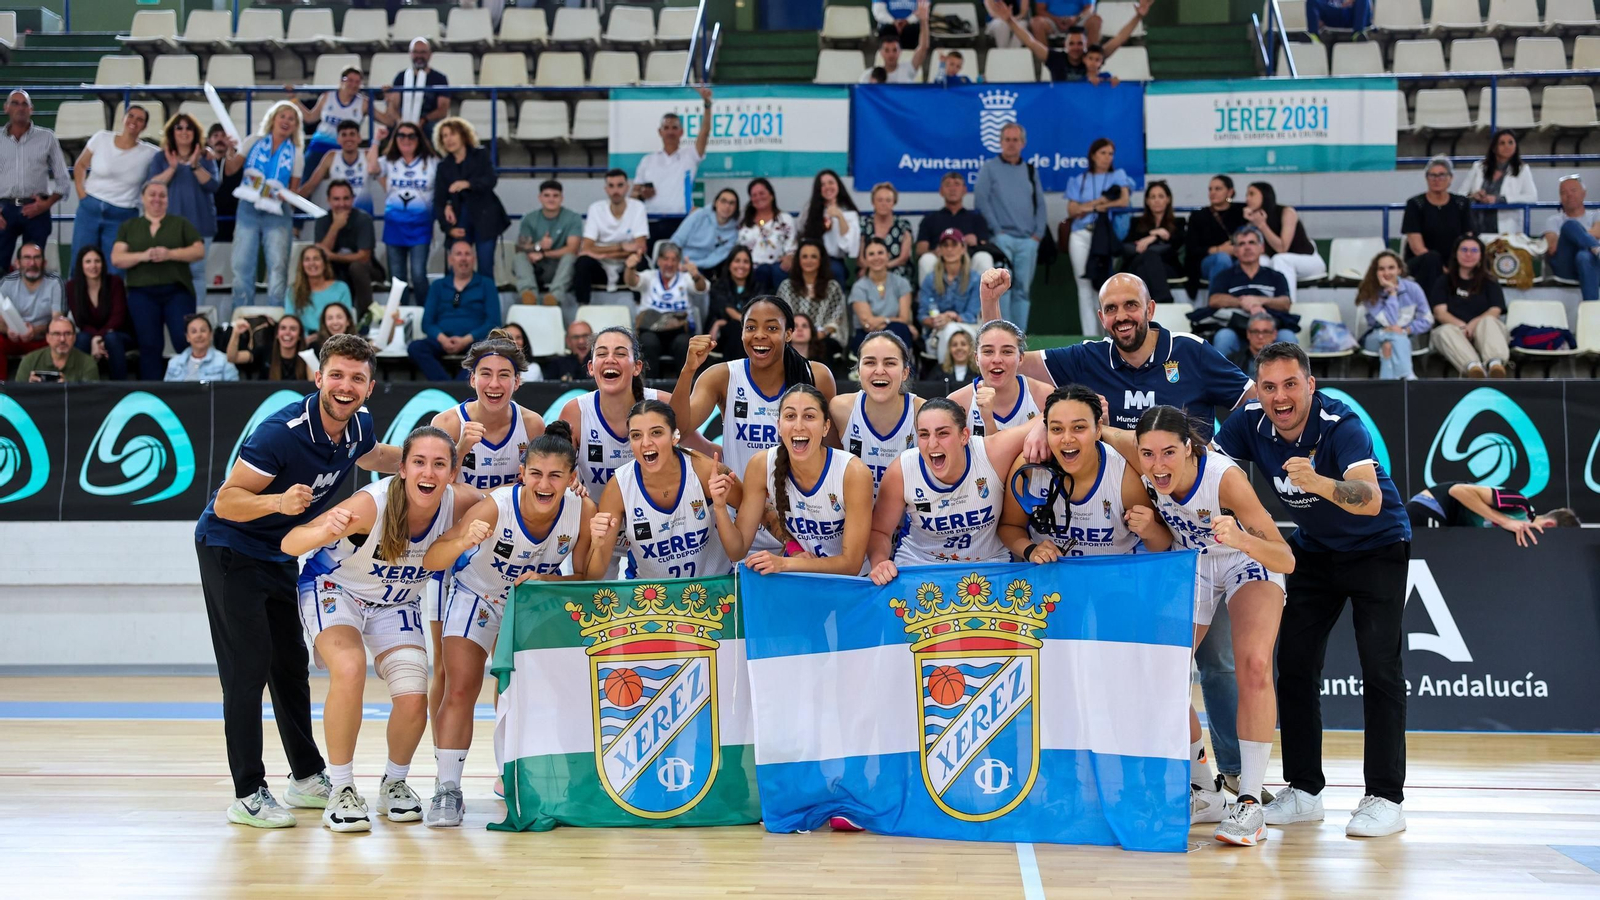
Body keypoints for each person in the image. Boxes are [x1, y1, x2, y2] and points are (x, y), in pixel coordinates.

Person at [985, 270, 1261, 802]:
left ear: (1151, 307)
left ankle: (1233, 777)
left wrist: (1208, 455)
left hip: (1200, 531)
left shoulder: (1193, 353)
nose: (1121, 317)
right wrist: (992, 307)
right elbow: (1008, 365)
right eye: (1111, 309)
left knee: (1218, 663)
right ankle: (1181, 778)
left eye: (1130, 306)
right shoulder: (1090, 357)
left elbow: (1252, 400)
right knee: (1151, 665)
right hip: (1140, 538)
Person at [193, 335, 397, 827]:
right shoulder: (280, 432)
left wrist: (438, 457)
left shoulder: (358, 428)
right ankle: (248, 793)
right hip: (230, 550)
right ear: (318, 378)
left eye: (356, 378)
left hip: (281, 553)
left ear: (369, 387)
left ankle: (306, 777)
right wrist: (277, 503)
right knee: (248, 668)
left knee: (290, 666)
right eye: (337, 375)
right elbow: (226, 501)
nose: (345, 387)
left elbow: (374, 458)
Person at [1213, 342, 1411, 839]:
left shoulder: (1341, 425)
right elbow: (1204, 466)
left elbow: (1367, 500)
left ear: (1310, 385)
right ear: (1256, 391)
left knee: (1380, 668)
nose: (1280, 397)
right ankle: (1304, 791)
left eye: (1290, 385)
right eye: (1269, 387)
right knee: (1296, 666)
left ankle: (1386, 798)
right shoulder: (1248, 424)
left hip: (1378, 546)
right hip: (1316, 549)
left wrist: (1319, 482)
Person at [281, 426, 482, 833]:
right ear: (403, 469)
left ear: (453, 471)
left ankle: (394, 783)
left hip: (396, 602)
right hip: (337, 589)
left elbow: (513, 498)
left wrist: (574, 493)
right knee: (351, 669)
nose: (429, 471)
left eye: (439, 463)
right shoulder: (369, 505)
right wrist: (322, 530)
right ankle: (340, 789)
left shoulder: (462, 501)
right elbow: (290, 543)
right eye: (419, 462)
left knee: (412, 697)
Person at [1124, 405, 1293, 847]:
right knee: (1162, 673)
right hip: (1194, 565)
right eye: (1147, 454)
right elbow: (1094, 431)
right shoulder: (1140, 459)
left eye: (1168, 453)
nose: (1158, 465)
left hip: (1245, 558)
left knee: (1254, 664)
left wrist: (1240, 537)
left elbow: (1285, 557)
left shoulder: (1224, 479)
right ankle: (1205, 788)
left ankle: (1251, 803)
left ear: (1189, 448)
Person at [420, 419, 595, 827]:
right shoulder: (495, 506)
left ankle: (517, 779)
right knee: (460, 687)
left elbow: (586, 576)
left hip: (530, 603)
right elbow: (433, 559)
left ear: (571, 479)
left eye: (555, 475)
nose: (544, 483)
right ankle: (447, 789)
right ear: (522, 473)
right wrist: (463, 540)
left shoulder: (583, 511)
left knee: (530, 694)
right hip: (477, 594)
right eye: (535, 473)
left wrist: (549, 578)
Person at [672, 296, 839, 552]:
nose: (759, 335)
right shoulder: (722, 376)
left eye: (772, 328)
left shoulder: (816, 375)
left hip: (806, 526)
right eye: (751, 327)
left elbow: (833, 454)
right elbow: (677, 430)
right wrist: (687, 371)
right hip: (741, 523)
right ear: (741, 334)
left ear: (788, 333)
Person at [867, 397, 1034, 583]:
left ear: (964, 435)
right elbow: (880, 531)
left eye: (942, 433)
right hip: (920, 565)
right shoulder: (902, 470)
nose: (932, 443)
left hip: (989, 565)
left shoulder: (992, 454)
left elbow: (1047, 418)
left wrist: (1041, 432)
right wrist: (879, 562)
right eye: (923, 434)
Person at [998, 384, 1166, 561]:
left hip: (1113, 578)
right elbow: (1009, 526)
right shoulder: (1030, 467)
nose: (1067, 439)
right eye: (1057, 429)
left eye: (1079, 427)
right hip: (1051, 581)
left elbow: (1161, 542)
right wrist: (1030, 549)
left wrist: (1151, 530)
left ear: (1098, 429)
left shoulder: (1122, 476)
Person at [585, 398, 745, 580]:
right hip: (651, 599)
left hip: (713, 593)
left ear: (674, 437)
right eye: (636, 435)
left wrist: (720, 508)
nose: (646, 443)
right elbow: (593, 575)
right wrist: (597, 545)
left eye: (656, 433)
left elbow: (739, 548)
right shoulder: (618, 488)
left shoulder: (704, 470)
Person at [555, 326, 669, 573]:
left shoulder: (661, 404)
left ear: (636, 366)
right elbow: (554, 470)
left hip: (654, 525)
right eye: (602, 353)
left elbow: (701, 452)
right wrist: (568, 482)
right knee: (592, 599)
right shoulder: (576, 411)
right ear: (590, 366)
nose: (610, 359)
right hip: (598, 526)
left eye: (619, 353)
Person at [732, 383, 875, 575]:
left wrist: (785, 564)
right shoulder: (761, 465)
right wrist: (718, 506)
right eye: (790, 416)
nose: (799, 426)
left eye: (809, 416)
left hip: (849, 584)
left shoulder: (853, 472)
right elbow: (737, 550)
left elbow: (851, 565)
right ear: (779, 425)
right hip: (799, 579)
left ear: (826, 427)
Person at [112, 180, 206, 380]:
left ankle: (189, 383)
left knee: (183, 341)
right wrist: (143, 256)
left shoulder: (180, 223)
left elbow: (199, 251)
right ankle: (151, 391)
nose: (157, 199)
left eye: (162, 195)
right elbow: (117, 258)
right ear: (142, 198)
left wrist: (169, 254)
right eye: (152, 195)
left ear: (168, 200)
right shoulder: (130, 226)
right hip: (142, 292)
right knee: (149, 345)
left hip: (177, 291)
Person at [223, 101, 306, 315]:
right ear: (273, 119)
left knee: (278, 268)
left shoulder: (296, 153)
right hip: (248, 208)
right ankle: (240, 317)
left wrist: (282, 194)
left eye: (291, 119)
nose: (286, 121)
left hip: (277, 213)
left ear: (296, 126)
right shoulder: (253, 141)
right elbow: (231, 170)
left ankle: (277, 320)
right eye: (283, 116)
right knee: (242, 266)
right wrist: (229, 151)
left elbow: (293, 193)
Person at [71, 105, 161, 279]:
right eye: (131, 116)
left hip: (122, 215)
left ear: (145, 126)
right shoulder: (101, 138)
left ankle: (113, 306)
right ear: (123, 118)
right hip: (90, 208)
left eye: (140, 119)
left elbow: (173, 156)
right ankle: (76, 305)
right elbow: (80, 165)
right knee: (80, 261)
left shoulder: (149, 152)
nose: (134, 121)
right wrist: (82, 195)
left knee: (116, 269)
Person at [830, 330, 924, 493]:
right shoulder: (840, 409)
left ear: (904, 373)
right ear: (858, 371)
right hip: (857, 515)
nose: (879, 371)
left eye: (889, 363)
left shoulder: (923, 413)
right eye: (870, 363)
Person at [975, 123, 1048, 328]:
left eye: (1015, 140)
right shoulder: (989, 168)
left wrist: (1038, 235)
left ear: (1023, 143)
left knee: (1022, 290)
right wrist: (997, 231)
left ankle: (1018, 337)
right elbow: (982, 201)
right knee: (1001, 289)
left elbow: (1040, 203)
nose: (1011, 144)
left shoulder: (1030, 170)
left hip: (1028, 241)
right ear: (1000, 142)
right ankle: (1002, 332)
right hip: (1001, 239)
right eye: (1007, 139)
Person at [146, 112, 220, 300]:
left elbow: (212, 185)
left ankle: (198, 323)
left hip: (201, 226)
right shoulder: (160, 158)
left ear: (196, 133)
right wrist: (172, 168)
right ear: (172, 131)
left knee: (197, 274)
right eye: (179, 127)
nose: (184, 131)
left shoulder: (206, 157)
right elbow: (152, 186)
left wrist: (195, 165)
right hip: (167, 228)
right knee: (169, 276)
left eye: (189, 128)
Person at [1065, 137, 1135, 334]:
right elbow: (1072, 210)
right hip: (1081, 234)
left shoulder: (1118, 175)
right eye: (1102, 153)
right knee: (1084, 287)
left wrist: (1089, 206)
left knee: (1105, 286)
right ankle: (1090, 335)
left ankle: (1109, 334)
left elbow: (1123, 201)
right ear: (1093, 155)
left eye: (1110, 154)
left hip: (1105, 237)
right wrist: (1101, 203)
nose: (1106, 157)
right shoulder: (1080, 180)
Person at [987, 0, 1148, 83]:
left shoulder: (1093, 59)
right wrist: (1009, 21)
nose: (1076, 47)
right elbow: (1030, 41)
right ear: (1065, 45)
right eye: (1072, 44)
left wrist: (1138, 16)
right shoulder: (1055, 59)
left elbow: (1120, 38)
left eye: (1080, 44)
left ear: (1086, 46)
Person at [409, 240, 502, 381]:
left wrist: (466, 340)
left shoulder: (486, 284)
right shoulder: (438, 286)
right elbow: (427, 323)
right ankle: (447, 386)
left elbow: (494, 322)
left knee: (488, 352)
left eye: (467, 254)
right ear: (450, 259)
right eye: (458, 254)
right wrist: (443, 339)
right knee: (416, 348)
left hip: (475, 341)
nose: (463, 258)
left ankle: (457, 388)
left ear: (474, 259)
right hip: (441, 340)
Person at [632, 87, 714, 243]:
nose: (670, 132)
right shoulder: (647, 161)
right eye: (666, 128)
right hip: (652, 221)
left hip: (682, 221)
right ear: (660, 132)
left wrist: (707, 105)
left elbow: (705, 132)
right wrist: (642, 193)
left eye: (674, 128)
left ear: (681, 132)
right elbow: (633, 195)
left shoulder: (690, 155)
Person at [368, 120, 437, 303]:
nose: (406, 139)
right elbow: (371, 168)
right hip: (394, 226)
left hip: (421, 226)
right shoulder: (390, 161)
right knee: (397, 279)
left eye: (411, 136)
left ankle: (425, 313)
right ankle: (401, 316)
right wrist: (376, 140)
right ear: (395, 138)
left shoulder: (431, 162)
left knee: (418, 274)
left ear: (419, 139)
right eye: (401, 135)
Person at [1206, 226, 1298, 364]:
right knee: (1223, 337)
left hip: (1269, 329)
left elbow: (1285, 303)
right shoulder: (1224, 276)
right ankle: (1222, 384)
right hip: (1236, 327)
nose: (1247, 247)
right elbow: (1214, 300)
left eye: (1252, 243)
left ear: (1262, 248)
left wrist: (1258, 300)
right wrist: (1243, 302)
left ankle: (1289, 383)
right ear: (1235, 251)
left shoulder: (1276, 276)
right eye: (1242, 244)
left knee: (1288, 337)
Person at [0, 90, 69, 268]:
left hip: (37, 208)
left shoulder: (47, 137)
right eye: (15, 103)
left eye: (25, 104)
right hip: (3, 210)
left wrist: (47, 204)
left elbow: (63, 179)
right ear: (6, 107)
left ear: (32, 109)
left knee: (32, 267)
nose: (20, 108)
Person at [433, 116, 508, 278]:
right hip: (460, 222)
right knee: (457, 270)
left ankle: (485, 303)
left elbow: (490, 180)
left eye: (452, 134)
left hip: (485, 219)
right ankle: (456, 302)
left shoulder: (480, 155)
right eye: (444, 136)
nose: (448, 139)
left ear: (463, 135)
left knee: (486, 268)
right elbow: (439, 201)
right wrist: (448, 228)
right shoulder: (443, 166)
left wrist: (467, 184)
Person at [949, 320, 1052, 436]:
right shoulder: (957, 403)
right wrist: (987, 419)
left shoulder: (1045, 397)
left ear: (1021, 358)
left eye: (1007, 352)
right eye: (988, 351)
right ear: (977, 358)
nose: (997, 359)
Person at [1428, 234, 1508, 378]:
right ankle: (1474, 368)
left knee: (1489, 321)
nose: (1468, 254)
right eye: (1464, 250)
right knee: (1444, 331)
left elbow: (1495, 310)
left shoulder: (1490, 281)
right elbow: (1440, 312)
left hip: (1485, 334)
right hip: (1456, 333)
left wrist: (1473, 325)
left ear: (1481, 256)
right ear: (1456, 254)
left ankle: (1495, 365)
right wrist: (1462, 326)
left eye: (1474, 250)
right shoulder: (1443, 281)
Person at [624, 241, 706, 377]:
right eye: (666, 259)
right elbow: (632, 281)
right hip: (651, 330)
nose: (669, 264)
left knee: (685, 344)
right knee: (648, 342)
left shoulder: (686, 278)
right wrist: (630, 268)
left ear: (679, 262)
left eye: (674, 260)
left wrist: (696, 276)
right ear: (659, 260)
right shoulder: (649, 276)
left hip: (679, 331)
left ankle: (689, 390)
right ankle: (647, 392)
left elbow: (701, 288)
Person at [574, 169, 649, 307]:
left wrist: (602, 252)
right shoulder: (596, 208)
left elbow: (640, 248)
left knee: (641, 262)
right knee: (582, 262)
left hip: (626, 265)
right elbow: (586, 248)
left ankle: (641, 308)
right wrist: (621, 247)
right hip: (601, 265)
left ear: (627, 187)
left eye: (620, 185)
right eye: (611, 186)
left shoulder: (638, 208)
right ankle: (582, 307)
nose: (616, 190)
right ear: (606, 189)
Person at [1401, 156, 1475, 295]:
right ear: (1426, 178)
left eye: (1442, 175)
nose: (1437, 179)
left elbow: (1468, 237)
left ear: (1450, 178)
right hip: (1422, 261)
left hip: (1454, 260)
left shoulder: (1461, 203)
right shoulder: (1415, 204)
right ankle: (1431, 307)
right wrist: (1443, 268)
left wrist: (1456, 264)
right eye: (1432, 175)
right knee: (1432, 259)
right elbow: (1417, 247)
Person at [1406, 481, 1580, 539]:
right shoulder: (1521, 506)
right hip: (1431, 508)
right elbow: (1457, 490)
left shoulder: (1520, 536)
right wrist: (1506, 521)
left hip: (1447, 524)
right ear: (1549, 526)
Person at [1243, 180, 1326, 301]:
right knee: (1258, 261)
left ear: (1265, 195)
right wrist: (1250, 224)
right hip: (1280, 261)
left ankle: (1286, 304)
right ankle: (1259, 304)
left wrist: (1261, 225)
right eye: (1246, 195)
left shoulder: (1287, 212)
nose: (1247, 199)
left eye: (1252, 194)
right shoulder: (1254, 219)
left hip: (1308, 260)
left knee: (1281, 260)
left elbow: (1282, 248)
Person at [1356, 250, 1432, 381]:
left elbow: (1427, 319)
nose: (1386, 273)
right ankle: (1408, 376)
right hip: (1374, 337)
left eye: (1391, 268)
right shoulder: (1369, 291)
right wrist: (1392, 293)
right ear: (1375, 272)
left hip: (1406, 337)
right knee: (1395, 336)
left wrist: (1406, 330)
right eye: (1381, 269)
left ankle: (1386, 387)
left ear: (1400, 270)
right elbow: (1390, 322)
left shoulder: (1413, 288)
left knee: (1388, 346)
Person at [514, 178, 585, 316]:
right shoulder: (529, 218)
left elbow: (573, 248)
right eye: (547, 195)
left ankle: (554, 297)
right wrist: (539, 245)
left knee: (571, 258)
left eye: (555, 196)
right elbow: (520, 248)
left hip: (560, 268)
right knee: (519, 258)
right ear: (540, 197)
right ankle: (529, 295)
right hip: (536, 267)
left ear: (561, 198)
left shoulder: (573, 218)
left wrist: (545, 254)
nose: (551, 199)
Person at [313, 180, 380, 320]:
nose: (342, 204)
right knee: (319, 267)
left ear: (353, 199)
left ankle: (366, 318)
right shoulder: (322, 221)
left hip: (367, 269)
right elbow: (320, 256)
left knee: (356, 267)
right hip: (335, 270)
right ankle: (324, 319)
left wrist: (332, 256)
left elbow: (364, 256)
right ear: (328, 200)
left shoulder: (363, 219)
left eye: (346, 198)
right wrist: (335, 227)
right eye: (336, 199)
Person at [776, 239, 848, 370]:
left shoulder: (832, 287)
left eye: (813, 256)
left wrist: (819, 333)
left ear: (821, 261)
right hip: (792, 335)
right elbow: (779, 317)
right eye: (805, 256)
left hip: (823, 337)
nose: (809, 260)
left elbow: (837, 319)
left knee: (825, 346)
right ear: (798, 260)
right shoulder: (786, 286)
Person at [916, 172, 994, 284]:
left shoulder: (976, 218)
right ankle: (929, 300)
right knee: (926, 259)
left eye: (957, 184)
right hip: (940, 263)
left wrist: (975, 242)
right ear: (941, 191)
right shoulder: (930, 219)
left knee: (984, 257)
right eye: (948, 185)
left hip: (968, 264)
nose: (952, 189)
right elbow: (920, 249)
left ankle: (985, 300)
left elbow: (985, 245)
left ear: (964, 190)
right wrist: (936, 251)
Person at [65, 245, 130, 380]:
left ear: (103, 263)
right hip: (88, 334)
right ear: (81, 265)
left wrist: (98, 338)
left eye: (97, 261)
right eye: (88, 261)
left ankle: (120, 388)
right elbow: (80, 321)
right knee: (82, 338)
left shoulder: (115, 282)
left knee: (111, 339)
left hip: (118, 334)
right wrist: (96, 338)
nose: (93, 266)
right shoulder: (72, 287)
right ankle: (78, 387)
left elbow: (118, 318)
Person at [0, 241, 63, 380]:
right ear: (17, 263)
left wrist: (35, 330)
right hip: (13, 338)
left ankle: (51, 390)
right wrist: (7, 330)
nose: (32, 263)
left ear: (44, 262)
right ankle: (1, 393)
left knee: (61, 338)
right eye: (27, 258)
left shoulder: (55, 282)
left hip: (42, 339)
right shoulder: (6, 282)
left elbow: (57, 320)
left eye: (37, 257)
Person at [289, 66, 368, 174]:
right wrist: (293, 99)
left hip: (345, 149)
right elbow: (310, 118)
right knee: (303, 174)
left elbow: (386, 120)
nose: (353, 85)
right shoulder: (327, 96)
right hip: (320, 145)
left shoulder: (363, 103)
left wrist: (389, 98)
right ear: (341, 81)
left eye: (357, 82)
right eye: (350, 80)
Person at [919, 229, 983, 362]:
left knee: (951, 329)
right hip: (938, 331)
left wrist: (952, 318)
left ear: (963, 248)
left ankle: (953, 376)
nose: (949, 249)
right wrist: (935, 320)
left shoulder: (975, 279)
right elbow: (922, 315)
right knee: (947, 330)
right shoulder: (930, 279)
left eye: (954, 245)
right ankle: (948, 376)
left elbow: (972, 315)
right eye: (945, 245)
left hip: (967, 327)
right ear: (940, 250)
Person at [1461, 130, 1536, 237]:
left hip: (1505, 229)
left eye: (1511, 142)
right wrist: (1474, 196)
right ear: (1494, 147)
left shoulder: (1523, 170)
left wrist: (1500, 200)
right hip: (1476, 226)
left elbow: (1532, 197)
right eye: (1502, 143)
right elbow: (1461, 194)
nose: (1507, 146)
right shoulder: (1478, 167)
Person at [850, 238, 918, 353]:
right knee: (899, 329)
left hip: (897, 333)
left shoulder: (901, 283)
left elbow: (904, 318)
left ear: (888, 256)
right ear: (865, 259)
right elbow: (868, 324)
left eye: (880, 253)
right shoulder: (859, 287)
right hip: (867, 336)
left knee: (900, 329)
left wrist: (883, 320)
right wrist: (892, 321)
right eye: (871, 254)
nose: (876, 257)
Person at [1122, 180, 1185, 303]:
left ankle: (1143, 306)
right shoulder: (1137, 222)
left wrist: (1153, 237)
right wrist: (1153, 234)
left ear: (1168, 199)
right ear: (1147, 201)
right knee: (1149, 257)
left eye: (1161, 196)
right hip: (1136, 262)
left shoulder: (1178, 222)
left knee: (1144, 266)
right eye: (1153, 197)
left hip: (1167, 267)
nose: (1157, 200)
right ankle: (1164, 299)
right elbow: (1126, 247)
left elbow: (1177, 243)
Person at [1542, 174, 1600, 303]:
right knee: (1569, 226)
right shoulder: (1553, 220)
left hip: (1591, 265)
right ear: (1560, 198)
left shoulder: (1596, 214)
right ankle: (1596, 249)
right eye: (1563, 192)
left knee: (1583, 256)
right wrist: (1572, 234)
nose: (1569, 195)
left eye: (1573, 190)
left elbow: (1598, 231)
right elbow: (1552, 248)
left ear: (1583, 193)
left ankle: (1591, 309)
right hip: (1566, 267)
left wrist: (1576, 237)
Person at [798, 170, 860, 285]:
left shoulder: (849, 213)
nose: (827, 187)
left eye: (831, 183)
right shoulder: (810, 210)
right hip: (811, 256)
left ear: (838, 185)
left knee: (835, 270)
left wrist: (839, 216)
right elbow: (801, 232)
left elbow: (848, 246)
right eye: (823, 185)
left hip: (833, 259)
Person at [1186, 174, 1247, 290]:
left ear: (1230, 192)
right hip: (1207, 262)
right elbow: (1192, 249)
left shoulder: (1240, 212)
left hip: (1238, 258)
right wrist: (1219, 250)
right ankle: (1217, 299)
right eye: (1210, 189)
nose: (1213, 192)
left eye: (1218, 189)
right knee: (1222, 259)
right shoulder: (1198, 216)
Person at [300, 120, 376, 214]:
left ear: (359, 138)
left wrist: (377, 141)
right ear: (338, 140)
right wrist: (290, 200)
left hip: (363, 215)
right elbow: (310, 186)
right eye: (344, 135)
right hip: (339, 215)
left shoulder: (367, 155)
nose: (348, 138)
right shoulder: (331, 157)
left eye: (352, 134)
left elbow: (382, 174)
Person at [738, 177, 797, 292]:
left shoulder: (785, 219)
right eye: (754, 195)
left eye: (762, 193)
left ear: (771, 195)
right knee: (761, 271)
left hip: (778, 267)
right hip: (751, 268)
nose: (758, 197)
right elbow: (740, 247)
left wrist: (790, 258)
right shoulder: (745, 222)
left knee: (776, 272)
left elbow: (792, 247)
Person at [379, 37, 451, 130]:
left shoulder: (440, 78)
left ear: (430, 54)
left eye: (423, 52)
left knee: (433, 129)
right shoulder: (401, 77)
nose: (419, 56)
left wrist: (424, 120)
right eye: (415, 52)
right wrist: (399, 121)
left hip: (427, 122)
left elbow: (442, 110)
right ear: (410, 54)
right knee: (389, 130)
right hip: (403, 120)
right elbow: (394, 106)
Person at [671, 187, 741, 278]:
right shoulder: (699, 215)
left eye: (732, 203)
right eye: (723, 201)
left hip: (703, 267)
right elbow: (677, 241)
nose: (727, 206)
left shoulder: (734, 232)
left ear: (736, 208)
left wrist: (692, 266)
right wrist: (676, 263)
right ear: (715, 203)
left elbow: (715, 257)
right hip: (679, 261)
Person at [860, 2, 932, 83]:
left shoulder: (908, 69)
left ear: (900, 51)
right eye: (887, 50)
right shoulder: (868, 75)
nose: (891, 54)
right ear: (880, 52)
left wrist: (924, 21)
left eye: (894, 50)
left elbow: (923, 48)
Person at [230, 311, 311, 381]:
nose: (287, 332)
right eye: (283, 328)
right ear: (277, 334)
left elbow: (314, 385)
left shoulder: (307, 357)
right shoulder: (265, 352)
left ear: (299, 335)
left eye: (293, 329)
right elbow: (233, 358)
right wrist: (236, 333)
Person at [707, 245, 756, 361]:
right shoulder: (718, 287)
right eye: (737, 261)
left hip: (751, 334)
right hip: (721, 337)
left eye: (745, 262)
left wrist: (721, 322)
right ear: (729, 265)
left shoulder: (758, 288)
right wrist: (718, 323)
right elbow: (727, 309)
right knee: (736, 328)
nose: (741, 266)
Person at [15, 315, 96, 382]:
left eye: (67, 334)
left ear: (74, 337)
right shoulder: (29, 360)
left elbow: (90, 397)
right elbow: (16, 395)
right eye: (56, 334)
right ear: (47, 337)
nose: (62, 339)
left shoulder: (87, 363)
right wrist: (28, 388)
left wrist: (67, 388)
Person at [289, 244, 353, 325]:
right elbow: (290, 322)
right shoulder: (293, 291)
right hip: (303, 337)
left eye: (316, 259)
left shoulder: (341, 289)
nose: (312, 263)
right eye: (307, 260)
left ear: (325, 264)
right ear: (302, 265)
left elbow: (345, 321)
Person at [165, 313, 240, 382]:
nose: (199, 335)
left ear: (211, 335)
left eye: (203, 330)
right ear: (187, 337)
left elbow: (233, 391)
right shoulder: (174, 363)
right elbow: (166, 392)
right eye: (194, 332)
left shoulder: (224, 362)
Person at [209, 124, 243, 244]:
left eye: (224, 136)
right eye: (216, 135)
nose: (220, 139)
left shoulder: (239, 166)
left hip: (233, 219)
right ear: (209, 140)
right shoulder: (204, 164)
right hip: (210, 219)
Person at [1031, 0, 1102, 44]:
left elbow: (1089, 8)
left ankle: (1091, 59)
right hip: (1052, 21)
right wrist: (1056, 19)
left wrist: (1076, 18)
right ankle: (1045, 59)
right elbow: (1040, 10)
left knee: (1095, 21)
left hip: (1077, 20)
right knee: (1036, 23)